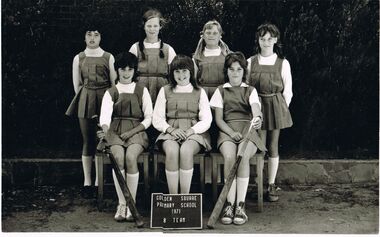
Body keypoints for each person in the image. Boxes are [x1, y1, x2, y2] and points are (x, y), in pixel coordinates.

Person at [209, 52, 266, 225]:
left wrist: (257, 118)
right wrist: (230, 133)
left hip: (247, 130)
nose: (235, 73)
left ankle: (240, 205)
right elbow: (218, 119)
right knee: (229, 157)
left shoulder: (251, 90)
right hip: (227, 130)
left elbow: (256, 109)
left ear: (244, 71)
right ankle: (229, 204)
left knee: (242, 157)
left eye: (239, 69)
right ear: (227, 71)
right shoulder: (220, 91)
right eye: (232, 69)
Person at [98, 52, 153, 222]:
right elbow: (105, 118)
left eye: (130, 69)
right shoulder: (111, 92)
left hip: (137, 130)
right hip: (115, 130)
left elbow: (149, 117)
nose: (126, 72)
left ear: (134, 70)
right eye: (123, 69)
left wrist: (132, 132)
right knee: (118, 157)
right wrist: (106, 131)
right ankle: (122, 203)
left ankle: (132, 203)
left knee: (130, 157)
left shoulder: (141, 90)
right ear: (118, 70)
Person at [65, 26, 117, 199]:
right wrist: (86, 98)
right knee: (87, 140)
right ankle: (87, 181)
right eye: (89, 34)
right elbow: (77, 85)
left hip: (105, 98)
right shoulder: (78, 58)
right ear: (84, 37)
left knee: (102, 139)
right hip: (86, 99)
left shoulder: (108, 57)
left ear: (101, 37)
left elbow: (114, 83)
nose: (92, 38)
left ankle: (99, 181)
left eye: (96, 34)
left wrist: (108, 103)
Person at [152, 54, 212, 194]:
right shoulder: (165, 90)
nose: (181, 75)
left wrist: (191, 131)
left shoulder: (199, 91)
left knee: (186, 151)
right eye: (177, 71)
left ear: (191, 72)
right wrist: (170, 130)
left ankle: (184, 196)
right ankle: (174, 197)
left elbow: (207, 119)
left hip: (194, 132)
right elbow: (157, 118)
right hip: (171, 131)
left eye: (184, 71)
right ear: (172, 73)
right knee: (172, 152)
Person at [247, 23, 293, 202]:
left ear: (275, 40)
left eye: (269, 39)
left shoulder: (283, 63)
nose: (265, 42)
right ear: (258, 40)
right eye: (262, 39)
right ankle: (257, 183)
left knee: (273, 145)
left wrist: (282, 109)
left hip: (275, 105)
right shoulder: (251, 61)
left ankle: (271, 184)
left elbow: (288, 90)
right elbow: (246, 87)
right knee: (259, 146)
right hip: (257, 106)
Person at [129, 8, 176, 104]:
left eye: (155, 26)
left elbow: (174, 74)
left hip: (162, 90)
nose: (152, 29)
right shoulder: (135, 48)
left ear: (160, 27)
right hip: (140, 90)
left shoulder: (168, 49)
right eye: (149, 26)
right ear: (144, 26)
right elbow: (128, 72)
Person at [193, 20, 232, 99]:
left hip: (223, 94)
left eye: (215, 33)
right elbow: (193, 80)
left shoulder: (228, 56)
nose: (211, 35)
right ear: (203, 35)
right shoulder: (197, 57)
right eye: (208, 33)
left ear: (220, 35)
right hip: (203, 95)